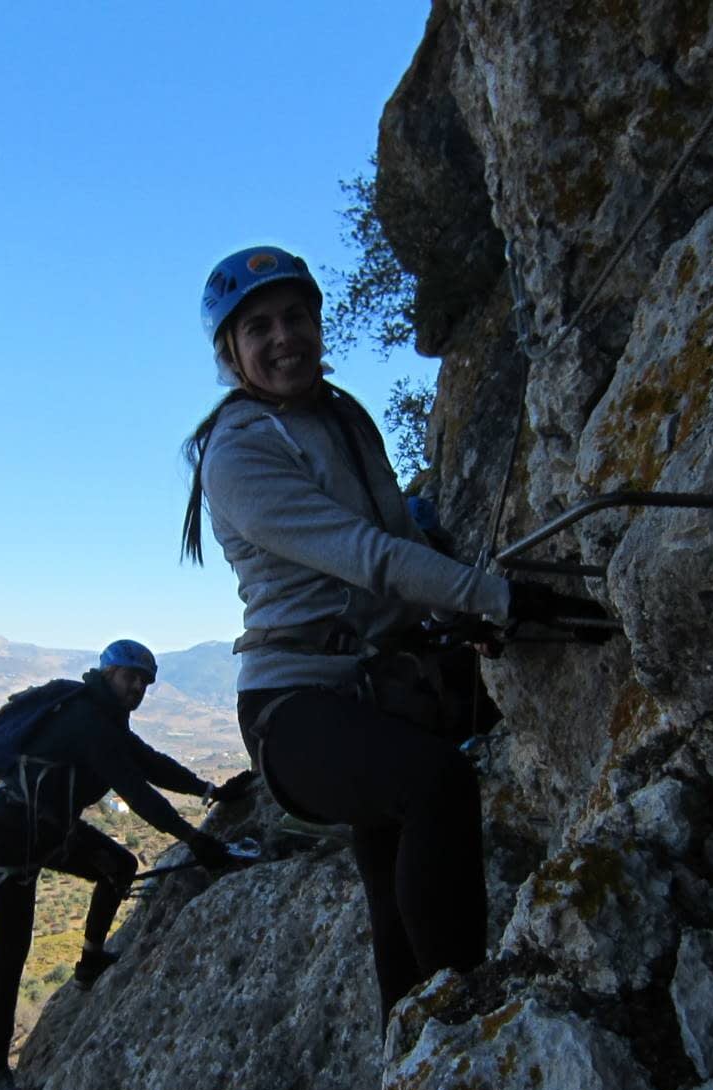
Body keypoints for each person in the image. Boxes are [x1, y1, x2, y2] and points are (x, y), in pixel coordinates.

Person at [181, 245, 600, 1025]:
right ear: (231, 353)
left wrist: (457, 611)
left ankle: (411, 1054)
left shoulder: (343, 416)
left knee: (391, 889)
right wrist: (496, 598)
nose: (285, 338)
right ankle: (469, 1015)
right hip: (294, 708)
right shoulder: (238, 451)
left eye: (296, 317)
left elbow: (394, 529)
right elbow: (368, 558)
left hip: (373, 682)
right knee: (435, 783)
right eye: (260, 327)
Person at [0, 638, 253, 1090]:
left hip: (50, 830)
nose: (138, 689)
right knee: (10, 951)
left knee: (119, 866)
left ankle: (90, 961)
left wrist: (210, 790)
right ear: (108, 674)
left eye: (145, 682)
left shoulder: (106, 719)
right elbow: (137, 791)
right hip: (8, 837)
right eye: (131, 678)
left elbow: (149, 763)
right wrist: (196, 840)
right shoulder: (87, 721)